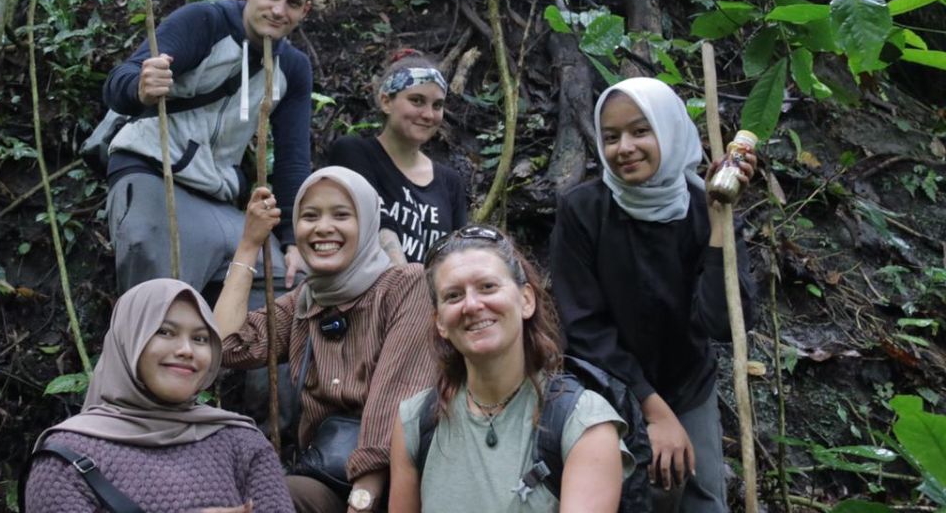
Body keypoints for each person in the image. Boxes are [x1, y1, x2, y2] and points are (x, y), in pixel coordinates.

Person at [547, 77, 757, 513]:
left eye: (641, 131)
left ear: (669, 131)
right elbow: (584, 325)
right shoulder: (583, 209)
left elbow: (721, 323)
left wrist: (720, 226)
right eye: (611, 137)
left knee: (702, 501)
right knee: (628, 497)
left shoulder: (707, 208)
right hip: (606, 384)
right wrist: (652, 410)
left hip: (686, 383)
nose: (625, 147)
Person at [214, 166, 438, 513]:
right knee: (259, 500)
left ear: (366, 223)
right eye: (310, 216)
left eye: (341, 215)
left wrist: (362, 501)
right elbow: (226, 346)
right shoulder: (306, 300)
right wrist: (249, 246)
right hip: (327, 475)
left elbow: (394, 400)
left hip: (399, 479)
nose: (323, 228)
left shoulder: (406, 285)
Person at [102, 0, 318, 295]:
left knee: (288, 288)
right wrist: (141, 87)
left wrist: (292, 240)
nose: (279, 10)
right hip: (155, 173)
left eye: (292, 3)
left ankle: (222, 349)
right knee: (162, 295)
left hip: (218, 200)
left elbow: (293, 159)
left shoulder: (292, 68)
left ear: (305, 10)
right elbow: (118, 81)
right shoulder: (206, 21)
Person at [389, 226, 630, 513]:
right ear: (440, 322)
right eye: (453, 296)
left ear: (526, 300)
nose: (472, 305)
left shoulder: (583, 423)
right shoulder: (417, 421)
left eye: (488, 287)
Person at [23, 278, 294, 513]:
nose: (187, 350)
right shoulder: (65, 457)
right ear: (128, 341)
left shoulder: (243, 444)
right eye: (165, 332)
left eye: (200, 338)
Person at [326, 51, 467, 265]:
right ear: (386, 101)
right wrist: (405, 286)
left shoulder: (450, 182)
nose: (429, 114)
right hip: (372, 292)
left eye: (437, 105)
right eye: (417, 101)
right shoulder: (354, 153)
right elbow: (376, 222)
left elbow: (457, 256)